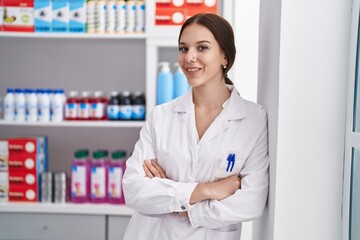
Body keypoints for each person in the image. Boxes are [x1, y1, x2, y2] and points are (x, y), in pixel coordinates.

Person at [122, 13, 269, 240]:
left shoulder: (253, 119)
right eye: (183, 48)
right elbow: (133, 189)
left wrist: (174, 201)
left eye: (202, 48)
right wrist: (206, 190)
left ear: (225, 57)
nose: (189, 57)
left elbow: (250, 202)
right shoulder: (161, 116)